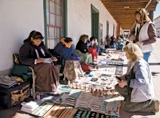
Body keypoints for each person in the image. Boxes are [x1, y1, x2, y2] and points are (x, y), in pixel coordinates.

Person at [115, 43, 159, 113]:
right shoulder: (132, 61)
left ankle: (151, 105)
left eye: (127, 53)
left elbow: (142, 82)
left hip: (142, 91)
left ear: (132, 53)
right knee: (118, 87)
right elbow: (130, 74)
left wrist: (126, 82)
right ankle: (130, 99)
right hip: (135, 88)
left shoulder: (140, 65)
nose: (125, 55)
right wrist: (123, 77)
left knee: (127, 108)